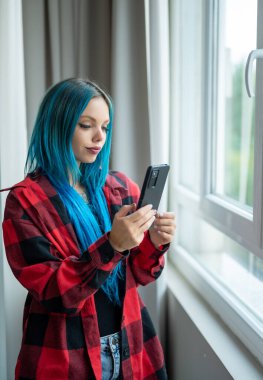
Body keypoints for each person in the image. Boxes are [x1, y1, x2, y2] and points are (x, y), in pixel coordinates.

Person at [1, 78, 176, 380]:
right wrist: (112, 246)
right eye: (86, 125)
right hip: (66, 357)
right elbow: (55, 294)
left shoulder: (120, 188)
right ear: (57, 125)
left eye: (105, 127)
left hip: (130, 345)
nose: (100, 137)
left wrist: (154, 243)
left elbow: (137, 275)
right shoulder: (26, 202)